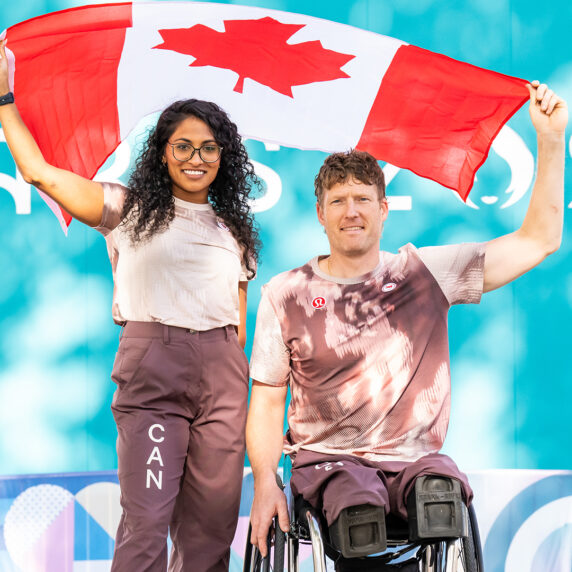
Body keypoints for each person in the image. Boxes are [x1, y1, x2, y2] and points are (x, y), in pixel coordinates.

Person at [246, 81, 567, 558]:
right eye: (338, 201)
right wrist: (266, 484)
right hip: (328, 464)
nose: (350, 212)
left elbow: (538, 240)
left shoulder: (425, 273)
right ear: (320, 212)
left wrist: (551, 139)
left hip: (414, 462)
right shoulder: (285, 293)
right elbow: (269, 403)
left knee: (439, 493)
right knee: (357, 507)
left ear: (384, 210)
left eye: (362, 200)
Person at [0, 40, 260, 571]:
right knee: (146, 525)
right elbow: (39, 174)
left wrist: (231, 375)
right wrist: (4, 97)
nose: (196, 158)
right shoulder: (126, 207)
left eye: (209, 148)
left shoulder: (234, 230)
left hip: (223, 376)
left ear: (223, 157)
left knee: (211, 534)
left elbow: (238, 321)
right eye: (183, 146)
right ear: (162, 152)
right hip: (155, 370)